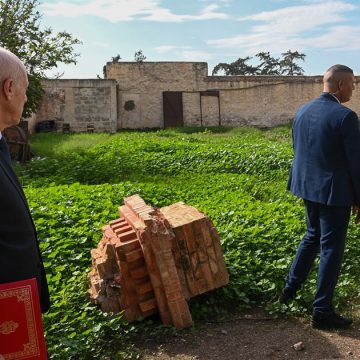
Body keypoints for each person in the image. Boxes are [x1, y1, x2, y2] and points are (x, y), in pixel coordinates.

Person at [280, 64, 360, 329]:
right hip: (334, 193)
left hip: (307, 187)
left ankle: (288, 291)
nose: (354, 88)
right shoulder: (346, 117)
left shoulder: (303, 110)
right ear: (341, 85)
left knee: (312, 236)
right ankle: (322, 310)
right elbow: (355, 164)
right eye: (352, 83)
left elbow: (298, 148)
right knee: (331, 249)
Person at [0, 47, 50, 313]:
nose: (25, 96)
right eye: (25, 88)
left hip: (16, 310)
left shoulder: (1, 143)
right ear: (9, 88)